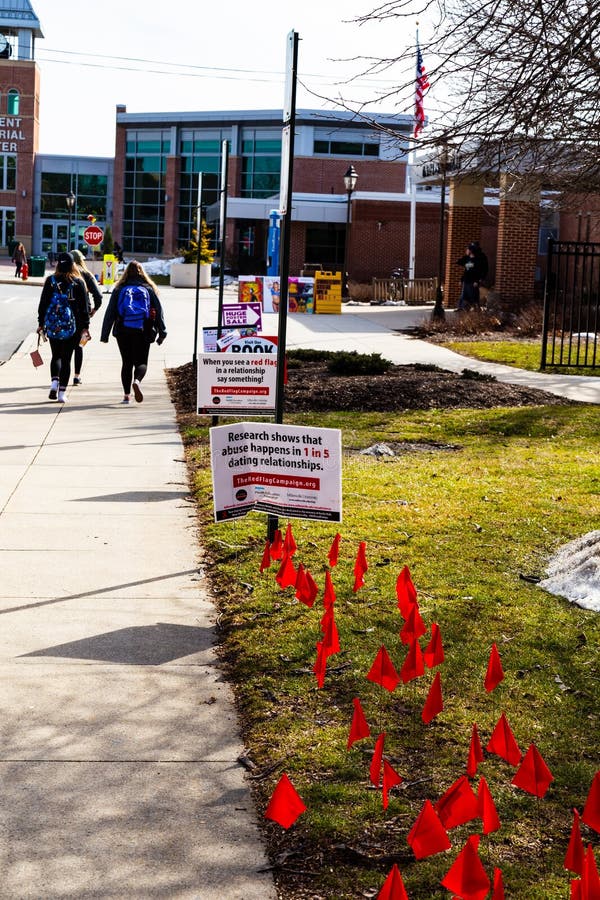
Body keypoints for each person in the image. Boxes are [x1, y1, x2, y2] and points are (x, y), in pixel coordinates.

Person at [100, 260, 166, 404]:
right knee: (141, 362)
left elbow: (110, 312)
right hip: (143, 329)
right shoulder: (148, 289)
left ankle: (126, 395)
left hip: (123, 330)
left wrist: (105, 334)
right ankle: (137, 381)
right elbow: (159, 312)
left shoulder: (119, 289)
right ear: (141, 272)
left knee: (126, 362)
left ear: (126, 273)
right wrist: (162, 332)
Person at [37, 252, 90, 403]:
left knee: (56, 356)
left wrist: (41, 323)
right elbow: (84, 308)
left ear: (58, 264)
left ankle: (54, 382)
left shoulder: (50, 281)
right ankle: (61, 393)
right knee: (67, 358)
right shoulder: (78, 282)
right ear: (73, 265)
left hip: (54, 325)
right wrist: (85, 327)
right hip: (73, 327)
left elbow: (43, 304)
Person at [70, 248, 103, 385]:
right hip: (82, 314)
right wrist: (94, 309)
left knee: (63, 347)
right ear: (80, 260)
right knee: (79, 345)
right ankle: (77, 376)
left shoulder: (62, 274)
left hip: (64, 314)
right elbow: (98, 295)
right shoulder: (86, 274)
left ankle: (58, 378)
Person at [457, 241, 489, 311]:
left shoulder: (480, 259)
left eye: (468, 249)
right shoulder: (468, 258)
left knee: (473, 296)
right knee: (464, 295)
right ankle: (461, 308)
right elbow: (466, 270)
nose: (466, 250)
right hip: (466, 280)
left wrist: (478, 280)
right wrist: (462, 279)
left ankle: (476, 309)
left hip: (473, 281)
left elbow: (481, 271)